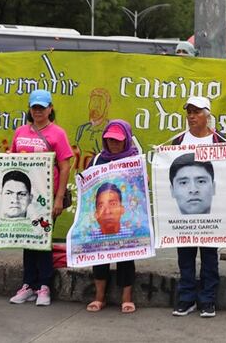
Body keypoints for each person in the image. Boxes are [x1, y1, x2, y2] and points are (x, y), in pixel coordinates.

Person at [9, 89, 74, 307]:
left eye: (42, 107)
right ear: (29, 109)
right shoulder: (20, 132)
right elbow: (12, 160)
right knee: (27, 239)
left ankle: (44, 286)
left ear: (50, 109)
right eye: (34, 107)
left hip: (46, 197)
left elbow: (65, 167)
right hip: (24, 198)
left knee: (43, 240)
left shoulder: (58, 133)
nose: (38, 111)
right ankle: (28, 284)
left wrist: (59, 198)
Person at [170, 95, 226, 318]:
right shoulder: (178, 141)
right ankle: (186, 299)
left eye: (197, 112)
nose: (192, 116)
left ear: (207, 115)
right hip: (184, 215)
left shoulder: (221, 142)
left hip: (211, 213)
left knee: (209, 256)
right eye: (189, 112)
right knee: (185, 256)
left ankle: (208, 300)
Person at [85, 120, 139, 314]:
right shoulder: (97, 160)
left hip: (124, 219)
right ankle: (99, 297)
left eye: (117, 140)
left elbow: (140, 190)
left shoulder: (134, 160)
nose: (113, 143)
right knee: (99, 254)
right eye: (109, 140)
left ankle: (127, 298)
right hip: (100, 218)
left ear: (126, 139)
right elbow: (87, 187)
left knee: (126, 255)